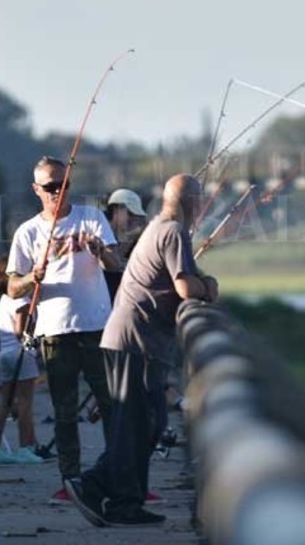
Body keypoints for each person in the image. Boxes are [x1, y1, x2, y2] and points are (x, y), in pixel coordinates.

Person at [66, 174, 219, 527]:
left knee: (146, 424)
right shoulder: (173, 231)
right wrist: (209, 287)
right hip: (136, 342)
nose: (200, 208)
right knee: (139, 424)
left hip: (133, 339)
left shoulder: (158, 228)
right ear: (190, 202)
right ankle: (102, 491)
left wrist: (200, 280)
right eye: (199, 201)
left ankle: (117, 497)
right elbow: (185, 286)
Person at [6, 156, 123, 499]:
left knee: (111, 404)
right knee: (65, 410)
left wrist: (100, 250)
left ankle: (116, 473)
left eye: (63, 185)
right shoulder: (28, 232)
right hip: (55, 332)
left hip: (98, 327)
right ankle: (70, 478)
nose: (58, 192)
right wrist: (34, 276)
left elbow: (116, 265)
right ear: (36, 189)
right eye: (50, 187)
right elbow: (13, 286)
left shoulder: (92, 217)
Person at [0, 255, 44, 465]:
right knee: (26, 403)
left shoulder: (4, 299)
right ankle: (25, 448)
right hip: (21, 354)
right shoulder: (21, 299)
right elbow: (21, 330)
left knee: (6, 401)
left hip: (5, 354)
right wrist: (36, 340)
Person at [102, 188, 149, 299]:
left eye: (136, 215)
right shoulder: (99, 230)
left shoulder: (132, 239)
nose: (133, 219)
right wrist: (132, 237)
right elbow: (113, 262)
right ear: (117, 209)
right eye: (130, 214)